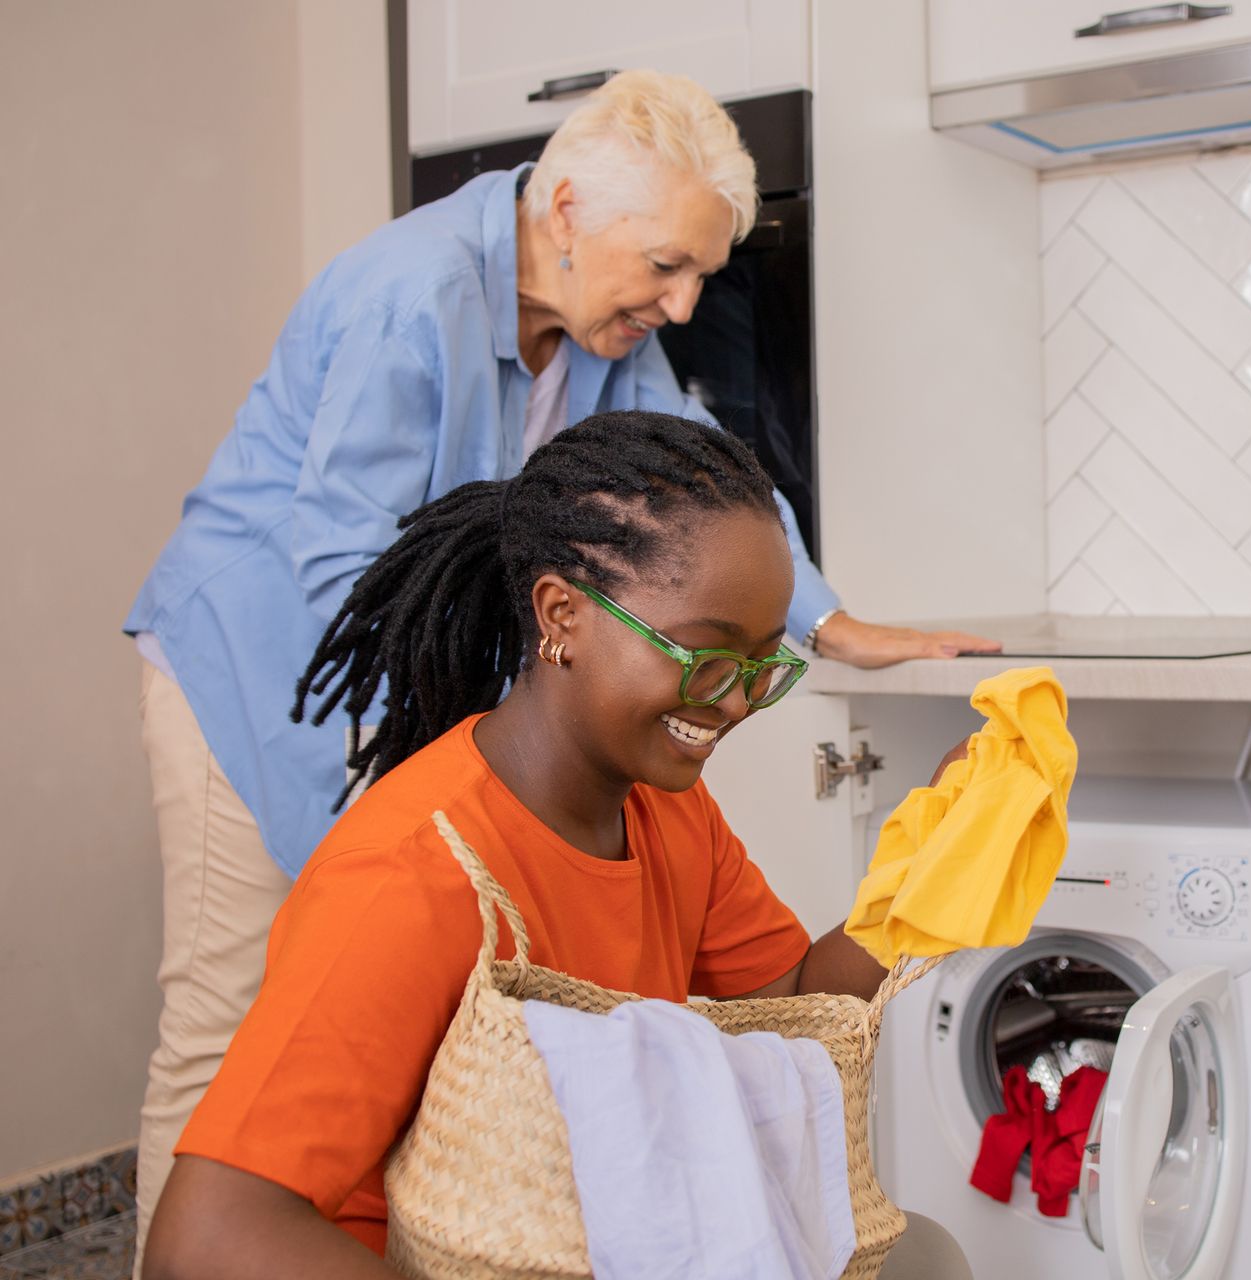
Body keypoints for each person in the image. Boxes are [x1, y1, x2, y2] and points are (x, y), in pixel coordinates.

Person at [124, 69, 995, 1251]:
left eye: (702, 274)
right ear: (569, 208)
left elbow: (696, 481)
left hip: (425, 684)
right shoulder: (413, 297)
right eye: (667, 266)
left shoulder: (597, 321)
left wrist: (828, 626)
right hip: (265, 658)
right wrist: (459, 776)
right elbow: (338, 558)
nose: (684, 305)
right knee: (231, 1024)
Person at [143, 411, 970, 1279]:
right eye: (705, 659)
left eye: (762, 668)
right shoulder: (409, 876)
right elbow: (205, 1237)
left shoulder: (664, 808)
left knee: (928, 1256)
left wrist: (941, 858)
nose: (732, 704)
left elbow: (799, 998)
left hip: (603, 1238)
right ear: (561, 615)